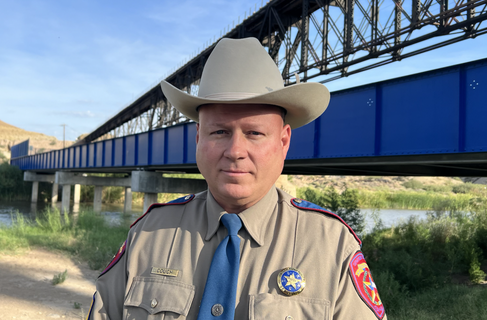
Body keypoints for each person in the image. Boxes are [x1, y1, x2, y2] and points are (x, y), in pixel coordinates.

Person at [88, 38, 386, 320]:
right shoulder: (148, 234)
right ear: (198, 138)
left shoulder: (331, 246)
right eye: (219, 132)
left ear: (283, 142)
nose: (235, 151)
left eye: (254, 133)